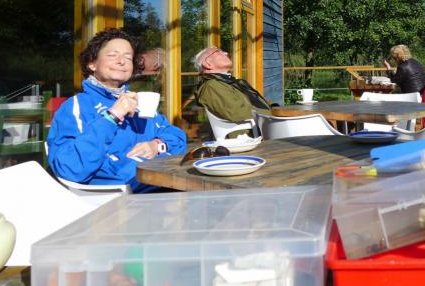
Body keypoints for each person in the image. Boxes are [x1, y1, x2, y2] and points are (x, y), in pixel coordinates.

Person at [47, 29, 187, 192]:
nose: (122, 61)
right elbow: (70, 169)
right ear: (92, 64)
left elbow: (177, 137)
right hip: (116, 197)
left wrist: (156, 145)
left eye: (128, 57)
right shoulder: (75, 107)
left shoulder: (137, 102)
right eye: (113, 55)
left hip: (159, 186)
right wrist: (112, 116)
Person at [193, 46, 273, 138]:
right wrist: (273, 113)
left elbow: (257, 103)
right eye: (218, 52)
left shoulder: (230, 82)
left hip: (260, 129)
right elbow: (236, 112)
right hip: (244, 136)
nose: (226, 53)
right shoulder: (211, 86)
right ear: (208, 64)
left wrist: (275, 108)